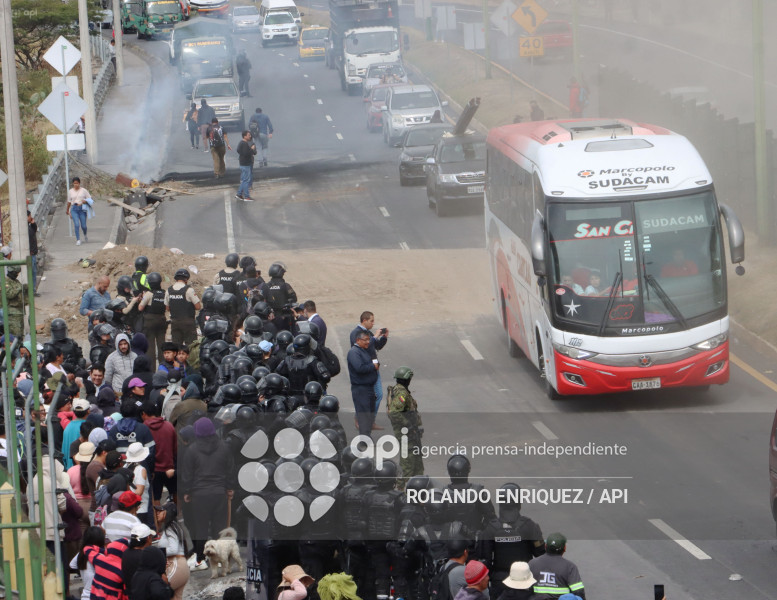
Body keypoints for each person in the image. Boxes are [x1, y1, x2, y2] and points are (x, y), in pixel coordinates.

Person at [180, 417, 235, 570]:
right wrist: (230, 487)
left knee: (201, 527)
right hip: (219, 492)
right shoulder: (224, 447)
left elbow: (188, 474)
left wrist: (187, 491)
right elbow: (230, 469)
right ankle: (221, 557)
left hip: (199, 494)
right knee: (220, 526)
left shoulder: (192, 450)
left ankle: (200, 559)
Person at [386, 366, 424, 488]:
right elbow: (393, 412)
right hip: (406, 435)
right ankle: (402, 491)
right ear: (407, 379)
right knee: (407, 466)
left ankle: (418, 488)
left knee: (417, 465)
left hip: (410, 434)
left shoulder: (399, 390)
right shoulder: (401, 393)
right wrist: (408, 424)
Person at [349, 311, 389, 421]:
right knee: (369, 396)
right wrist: (374, 337)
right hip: (365, 369)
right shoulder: (355, 333)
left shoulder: (368, 333)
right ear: (364, 320)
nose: (373, 323)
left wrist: (384, 337)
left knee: (378, 395)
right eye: (371, 321)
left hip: (373, 368)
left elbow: (377, 346)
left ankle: (370, 419)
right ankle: (363, 418)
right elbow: (362, 347)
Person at [529, 533, 585, 600]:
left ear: (545, 546)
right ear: (564, 548)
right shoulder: (570, 567)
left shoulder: (532, 564)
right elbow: (578, 591)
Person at [154, 502, 190, 600]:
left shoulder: (170, 528)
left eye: (161, 511)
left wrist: (159, 553)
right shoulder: (173, 526)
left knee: (160, 592)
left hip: (176, 565)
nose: (157, 513)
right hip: (180, 565)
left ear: (168, 513)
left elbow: (173, 549)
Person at [347, 330, 379, 436]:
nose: (368, 342)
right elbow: (359, 368)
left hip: (369, 388)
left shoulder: (364, 350)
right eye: (365, 340)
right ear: (358, 340)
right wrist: (373, 366)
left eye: (369, 339)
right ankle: (364, 440)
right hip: (361, 389)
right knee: (364, 416)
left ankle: (367, 437)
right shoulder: (354, 352)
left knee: (369, 415)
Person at [166, 268, 201, 347]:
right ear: (186, 279)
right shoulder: (189, 290)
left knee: (176, 347)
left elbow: (167, 308)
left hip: (175, 322)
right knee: (191, 347)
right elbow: (198, 306)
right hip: (188, 323)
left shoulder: (169, 290)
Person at [71, 526, 105, 600]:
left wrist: (83, 571)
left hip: (85, 595)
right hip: (98, 595)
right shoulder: (100, 555)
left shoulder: (82, 553)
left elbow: (72, 565)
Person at [122, 522, 156, 586]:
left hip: (130, 590)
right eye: (151, 537)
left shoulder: (126, 553)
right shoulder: (146, 557)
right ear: (148, 538)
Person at [67, 176, 91, 245]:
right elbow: (69, 202)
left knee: (84, 226)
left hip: (82, 209)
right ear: (73, 184)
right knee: (76, 224)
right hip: (74, 209)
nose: (76, 185)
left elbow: (90, 199)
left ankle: (85, 234)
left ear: (79, 183)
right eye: (74, 183)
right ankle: (78, 239)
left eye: (77, 183)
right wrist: (68, 210)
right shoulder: (70, 191)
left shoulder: (83, 190)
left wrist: (85, 201)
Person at [3, 266, 25, 338]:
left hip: (19, 312)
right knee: (15, 335)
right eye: (16, 273)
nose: (17, 274)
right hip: (12, 314)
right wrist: (20, 288)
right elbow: (9, 294)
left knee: (20, 335)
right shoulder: (6, 282)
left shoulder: (15, 281)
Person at [236, 130, 257, 201]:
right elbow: (246, 153)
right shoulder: (244, 144)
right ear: (244, 136)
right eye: (249, 135)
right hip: (246, 164)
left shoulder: (241, 143)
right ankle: (246, 196)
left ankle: (239, 194)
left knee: (244, 180)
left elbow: (238, 150)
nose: (250, 136)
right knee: (246, 181)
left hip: (243, 163)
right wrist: (252, 149)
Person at [28, 210, 39, 294]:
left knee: (34, 272)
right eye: (29, 216)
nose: (31, 217)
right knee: (32, 272)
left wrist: (33, 223)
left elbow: (35, 230)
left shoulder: (30, 227)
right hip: (31, 253)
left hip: (33, 253)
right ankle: (32, 290)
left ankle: (33, 290)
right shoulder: (25, 228)